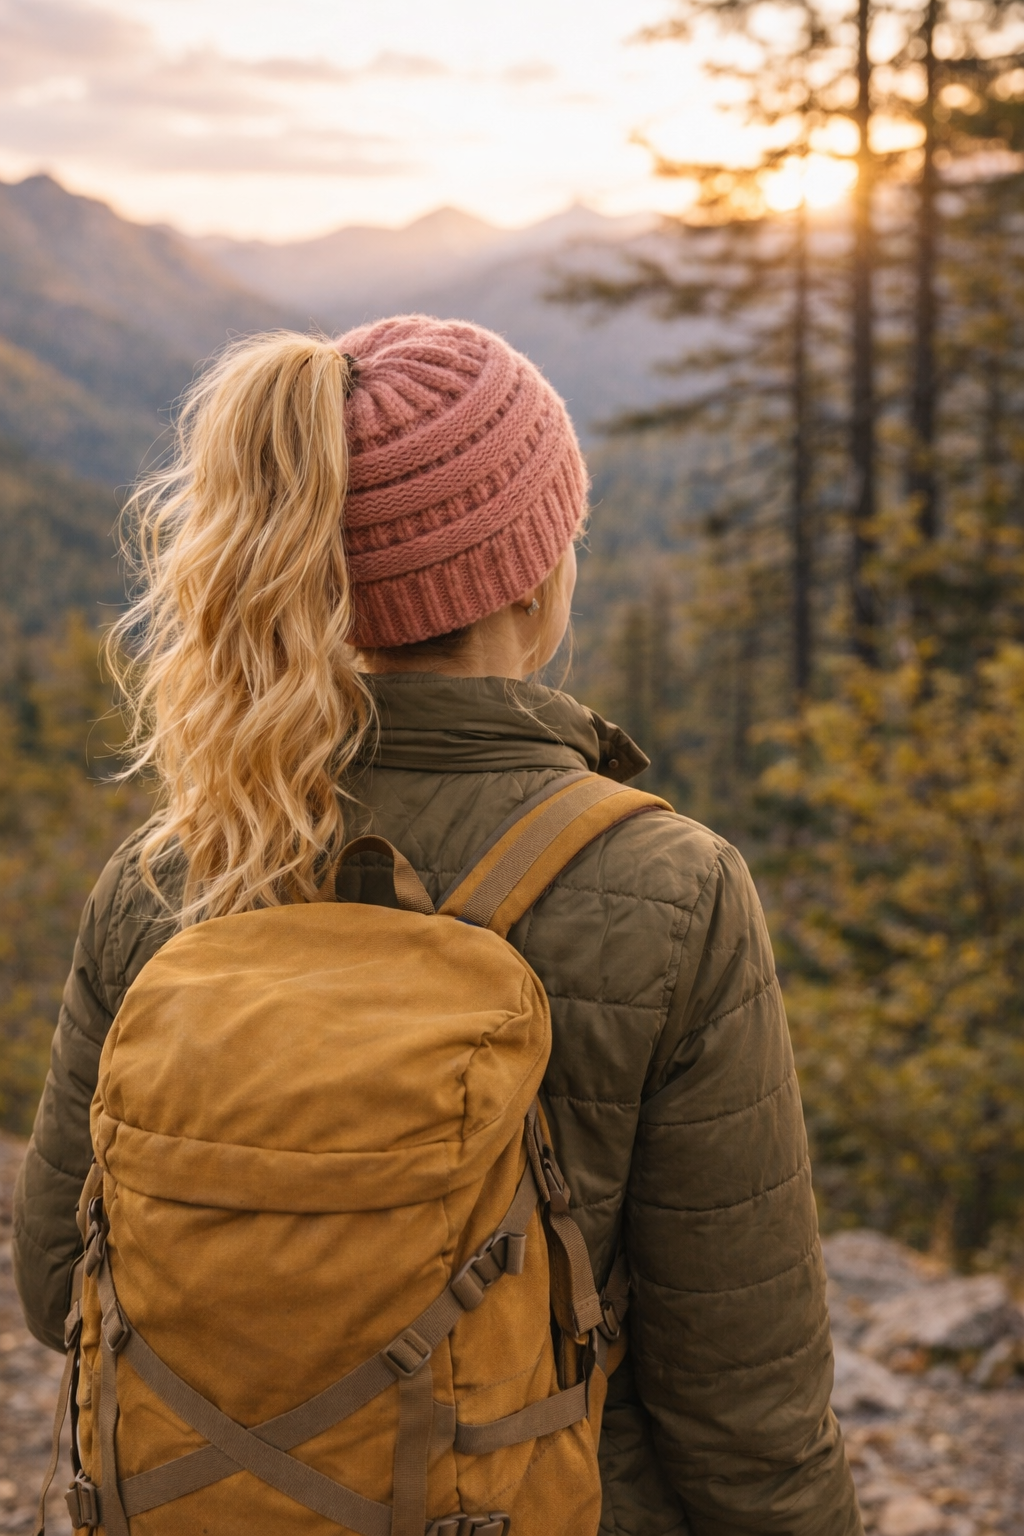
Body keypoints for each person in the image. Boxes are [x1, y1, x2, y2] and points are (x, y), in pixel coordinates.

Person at [14, 316, 862, 1534]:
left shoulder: (169, 877)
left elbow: (58, 1291)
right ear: (533, 572)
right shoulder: (673, 888)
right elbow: (745, 1410)